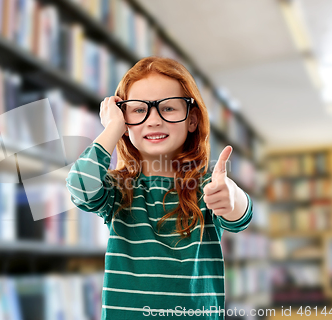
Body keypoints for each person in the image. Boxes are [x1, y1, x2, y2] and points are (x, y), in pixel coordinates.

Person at [65, 56, 253, 319]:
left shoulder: (207, 186)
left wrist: (232, 197)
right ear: (123, 119)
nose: (153, 120)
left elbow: (240, 216)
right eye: (139, 110)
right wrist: (112, 129)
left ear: (192, 119)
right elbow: (79, 186)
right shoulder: (118, 188)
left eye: (169, 108)